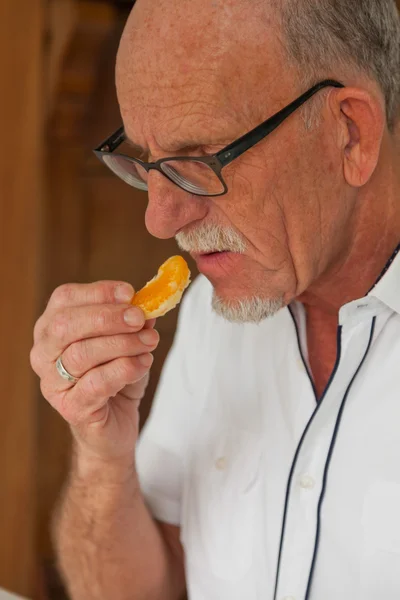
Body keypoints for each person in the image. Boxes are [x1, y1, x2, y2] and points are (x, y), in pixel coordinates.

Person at [30, 0, 400, 598]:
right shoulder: (217, 309)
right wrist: (102, 455)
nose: (158, 217)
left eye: (200, 160)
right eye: (145, 162)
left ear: (349, 133)